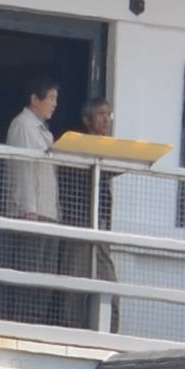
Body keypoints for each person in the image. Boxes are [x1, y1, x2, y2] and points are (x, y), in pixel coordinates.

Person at [0, 74, 64, 324]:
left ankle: (36, 322)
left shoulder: (43, 131)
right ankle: (22, 322)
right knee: (29, 272)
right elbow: (23, 168)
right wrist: (29, 209)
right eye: (52, 98)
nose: (55, 104)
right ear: (35, 99)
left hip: (47, 213)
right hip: (32, 214)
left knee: (44, 277)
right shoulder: (23, 125)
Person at [57, 94, 124, 338]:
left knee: (107, 281)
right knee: (75, 280)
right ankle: (70, 332)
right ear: (87, 119)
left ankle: (108, 333)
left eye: (109, 114)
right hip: (78, 222)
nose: (107, 120)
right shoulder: (75, 145)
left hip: (101, 225)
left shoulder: (109, 147)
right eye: (101, 114)